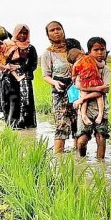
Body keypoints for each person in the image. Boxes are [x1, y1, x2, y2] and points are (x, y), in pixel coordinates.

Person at [72, 37, 111, 160]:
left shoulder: (106, 69)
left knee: (101, 137)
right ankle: (82, 161)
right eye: (96, 50)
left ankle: (101, 166)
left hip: (100, 107)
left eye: (102, 49)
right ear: (89, 52)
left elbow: (104, 89)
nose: (100, 53)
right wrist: (94, 89)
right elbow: (77, 85)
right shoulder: (82, 66)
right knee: (82, 140)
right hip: (85, 108)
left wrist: (83, 96)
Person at [41, 21, 77, 153]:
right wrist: (55, 82)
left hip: (77, 90)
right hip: (60, 91)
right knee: (61, 124)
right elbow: (45, 75)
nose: (56, 32)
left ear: (63, 30)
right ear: (48, 34)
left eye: (58, 29)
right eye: (52, 30)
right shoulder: (47, 53)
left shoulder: (73, 47)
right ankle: (59, 158)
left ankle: (79, 158)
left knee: (78, 125)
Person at [5, 24, 38, 128]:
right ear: (16, 33)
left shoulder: (31, 48)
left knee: (26, 102)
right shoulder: (9, 47)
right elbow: (3, 61)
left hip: (25, 79)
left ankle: (27, 126)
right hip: (11, 80)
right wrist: (11, 67)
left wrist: (19, 67)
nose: (23, 35)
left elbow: (33, 65)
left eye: (25, 33)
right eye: (20, 33)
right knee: (12, 102)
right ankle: (12, 125)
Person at [67, 48, 105, 126]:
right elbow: (100, 65)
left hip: (85, 83)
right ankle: (100, 114)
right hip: (96, 81)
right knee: (99, 97)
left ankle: (83, 115)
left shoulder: (76, 64)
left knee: (83, 98)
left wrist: (74, 82)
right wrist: (103, 62)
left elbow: (73, 76)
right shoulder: (91, 57)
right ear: (81, 53)